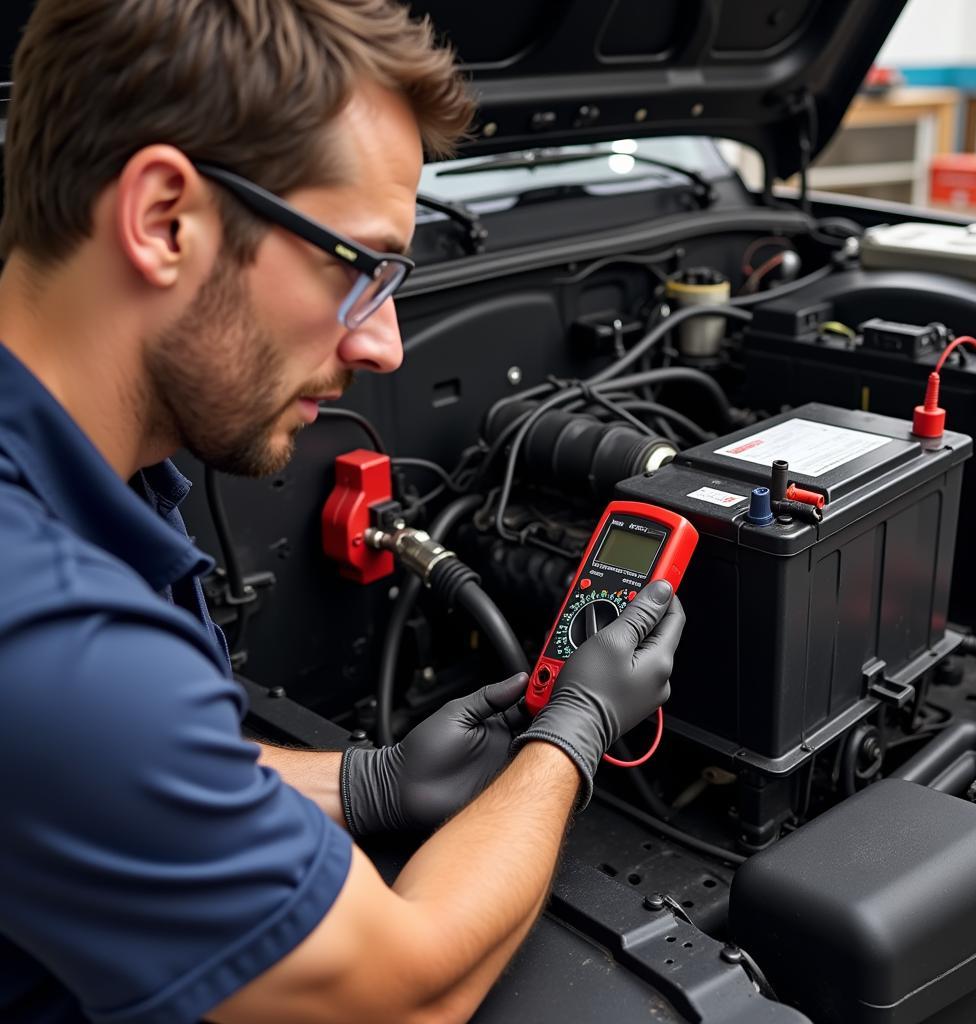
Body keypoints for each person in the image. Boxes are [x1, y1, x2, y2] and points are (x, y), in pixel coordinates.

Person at [0, 1, 686, 1022]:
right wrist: (571, 735)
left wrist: (362, 785)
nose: (384, 347)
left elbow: (117, 776)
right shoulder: (45, 631)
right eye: (359, 265)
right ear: (163, 220)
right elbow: (403, 990)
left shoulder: (82, 482)